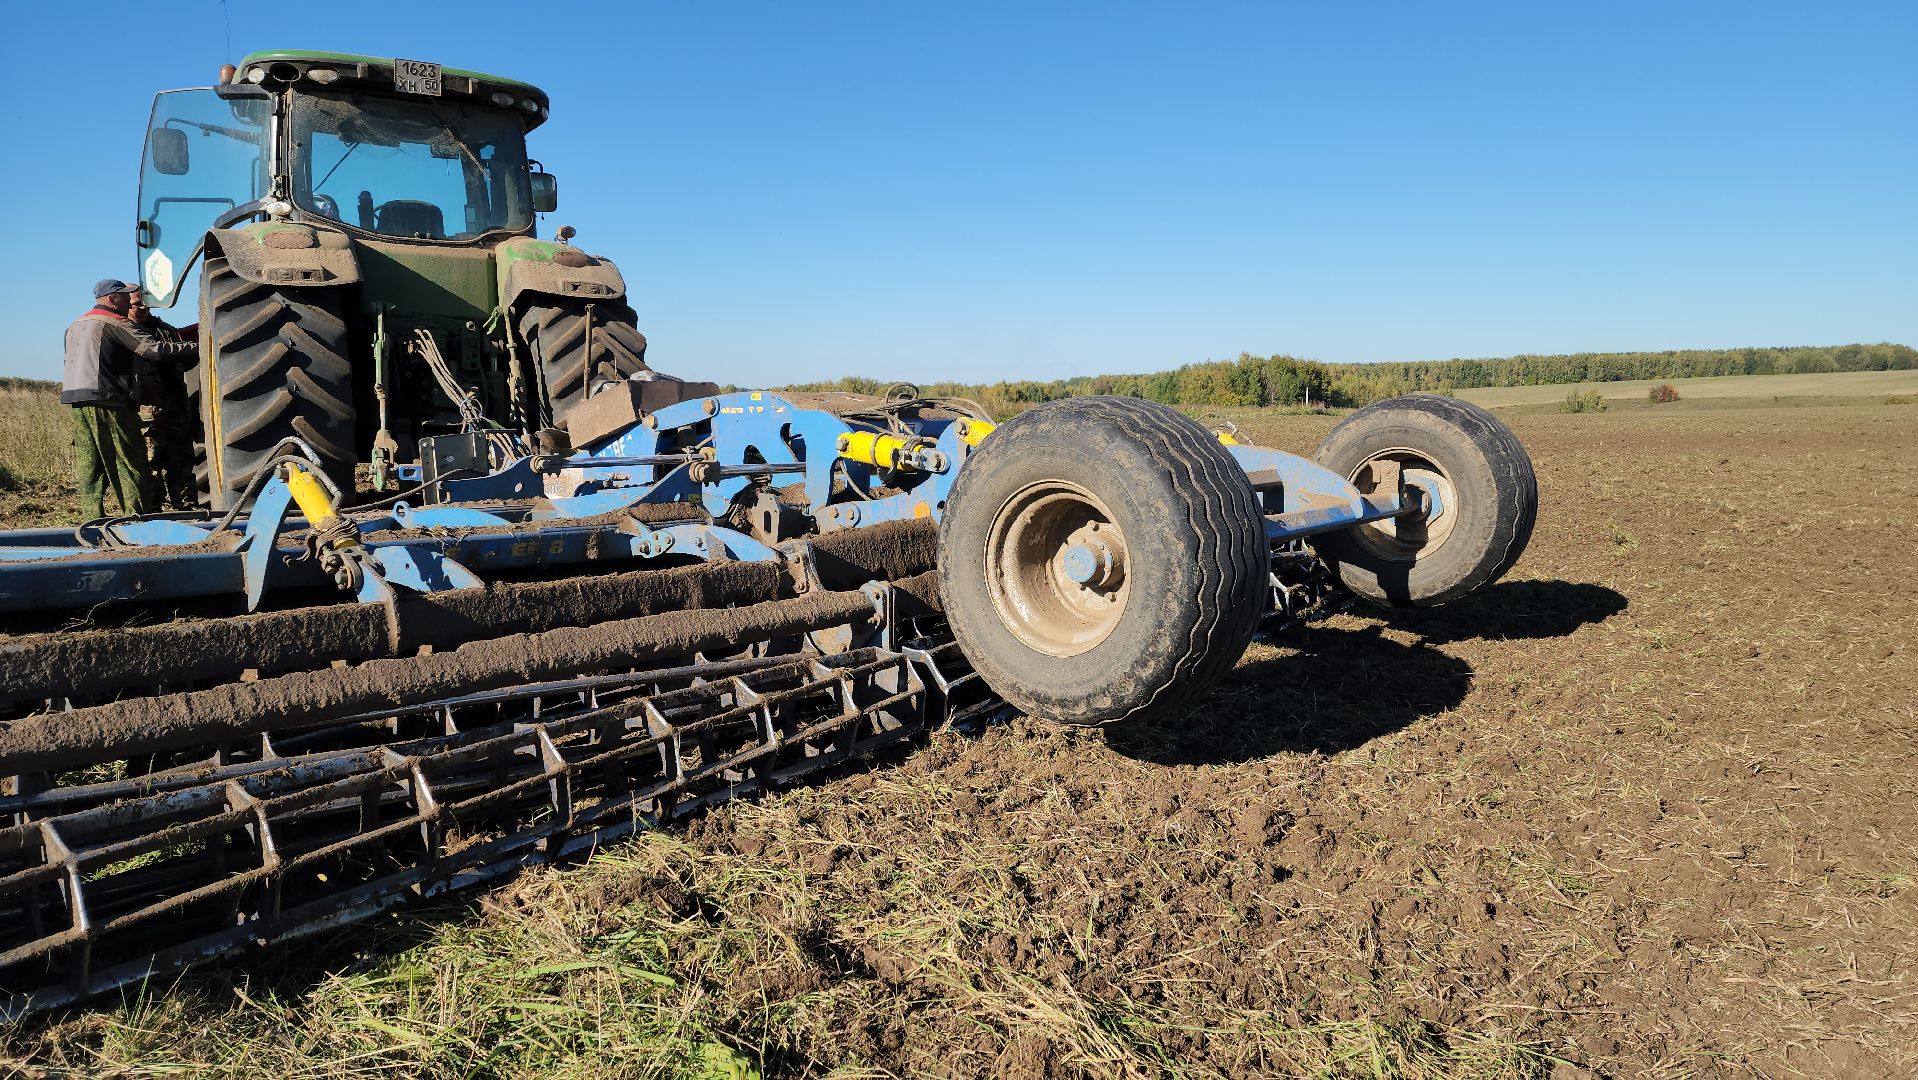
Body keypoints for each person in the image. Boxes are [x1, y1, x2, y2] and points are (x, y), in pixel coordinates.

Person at [61, 279, 195, 521]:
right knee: (131, 460)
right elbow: (152, 350)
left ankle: (92, 519)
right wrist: (197, 346)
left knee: (90, 463)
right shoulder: (114, 321)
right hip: (110, 399)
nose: (130, 306)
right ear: (113, 300)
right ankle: (138, 518)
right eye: (126, 300)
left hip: (76, 399)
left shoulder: (76, 324)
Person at [128, 296, 200, 511]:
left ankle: (186, 504)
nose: (143, 307)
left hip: (175, 402)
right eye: (136, 304)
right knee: (151, 460)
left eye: (145, 302)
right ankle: (153, 507)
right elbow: (158, 352)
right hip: (147, 407)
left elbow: (182, 355)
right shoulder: (124, 330)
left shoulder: (162, 327)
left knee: (182, 457)